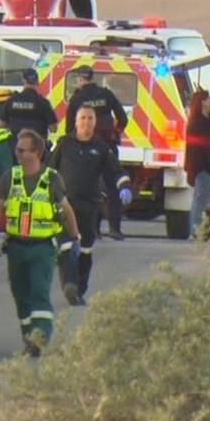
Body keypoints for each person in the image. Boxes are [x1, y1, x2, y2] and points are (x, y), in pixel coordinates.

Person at [0, 129, 80, 357]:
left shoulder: (51, 180)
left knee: (39, 292)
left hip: (42, 248)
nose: (16, 153)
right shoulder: (11, 177)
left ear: (35, 152)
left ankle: (40, 337)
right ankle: (29, 337)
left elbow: (66, 210)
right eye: (16, 149)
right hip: (16, 247)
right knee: (21, 295)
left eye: (21, 149)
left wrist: (75, 237)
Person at [47, 105, 131, 305]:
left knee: (85, 250)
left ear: (95, 122)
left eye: (90, 118)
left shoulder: (101, 148)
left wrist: (124, 186)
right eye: (82, 118)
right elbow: (49, 170)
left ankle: (79, 289)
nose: (86, 122)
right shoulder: (64, 144)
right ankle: (69, 284)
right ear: (76, 122)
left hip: (90, 206)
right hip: (65, 204)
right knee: (66, 245)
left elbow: (116, 171)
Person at [64, 65, 130, 239]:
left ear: (80, 79)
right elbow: (123, 118)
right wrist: (115, 133)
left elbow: (70, 128)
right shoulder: (106, 94)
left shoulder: (77, 98)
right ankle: (115, 229)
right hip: (108, 146)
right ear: (92, 77)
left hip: (86, 149)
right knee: (112, 186)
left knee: (91, 188)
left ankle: (94, 228)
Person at [184, 89, 210, 241]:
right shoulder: (198, 124)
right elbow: (201, 148)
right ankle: (196, 232)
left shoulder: (206, 121)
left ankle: (197, 231)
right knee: (201, 200)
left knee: (201, 199)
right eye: (209, 98)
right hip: (203, 167)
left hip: (206, 167)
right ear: (202, 102)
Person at [3, 68, 57, 152]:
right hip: (37, 148)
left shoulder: (11, 100)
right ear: (37, 82)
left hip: (16, 147)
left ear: (23, 81)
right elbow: (53, 129)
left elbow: (2, 123)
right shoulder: (43, 103)